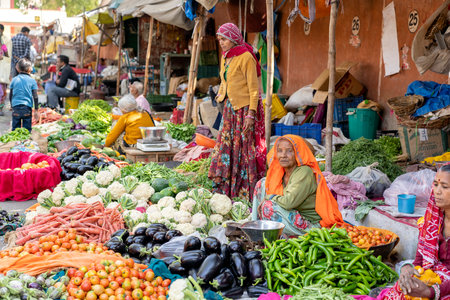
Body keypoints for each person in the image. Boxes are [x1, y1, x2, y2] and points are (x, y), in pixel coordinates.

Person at [208, 22, 266, 202]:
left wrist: (251, 114)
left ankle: (242, 191)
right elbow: (225, 80)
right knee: (226, 147)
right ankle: (226, 187)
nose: (221, 42)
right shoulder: (226, 56)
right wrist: (220, 94)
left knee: (242, 148)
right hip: (229, 110)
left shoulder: (246, 57)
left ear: (233, 39)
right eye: (219, 39)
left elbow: (254, 89)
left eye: (224, 39)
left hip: (243, 111)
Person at [376, 164, 450, 300]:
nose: (437, 191)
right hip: (434, 278)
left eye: (444, 187)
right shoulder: (430, 222)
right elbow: (420, 259)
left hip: (444, 287)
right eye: (435, 185)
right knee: (400, 291)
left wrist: (431, 292)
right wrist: (408, 268)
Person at [251, 135, 343, 236]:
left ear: (297, 154)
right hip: (292, 216)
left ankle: (282, 234)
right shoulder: (282, 172)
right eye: (280, 151)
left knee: (268, 207)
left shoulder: (304, 172)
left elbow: (288, 203)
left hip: (309, 224)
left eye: (289, 151)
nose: (283, 155)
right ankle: (256, 229)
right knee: (262, 183)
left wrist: (270, 197)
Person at [9, 58, 39, 132]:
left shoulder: (14, 79)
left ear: (18, 68)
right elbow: (35, 96)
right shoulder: (32, 81)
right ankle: (26, 142)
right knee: (27, 130)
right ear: (29, 69)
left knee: (15, 130)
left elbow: (11, 95)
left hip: (16, 107)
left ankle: (15, 143)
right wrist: (36, 110)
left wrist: (11, 105)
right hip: (27, 108)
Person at [0, 24, 11, 116]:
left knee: (2, 92)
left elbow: (7, 56)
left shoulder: (6, 41)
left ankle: (0, 109)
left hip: (3, 70)